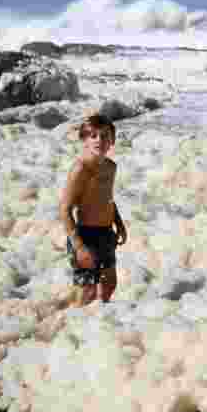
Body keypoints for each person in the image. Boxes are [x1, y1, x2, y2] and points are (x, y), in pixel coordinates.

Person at [58, 114, 127, 307]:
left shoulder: (111, 167)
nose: (100, 140)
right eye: (93, 135)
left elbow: (107, 200)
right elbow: (64, 209)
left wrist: (119, 223)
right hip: (85, 235)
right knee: (86, 291)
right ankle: (74, 323)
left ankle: (98, 326)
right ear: (84, 139)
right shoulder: (80, 169)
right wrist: (79, 246)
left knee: (109, 285)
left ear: (112, 140)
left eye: (105, 135)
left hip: (106, 233)